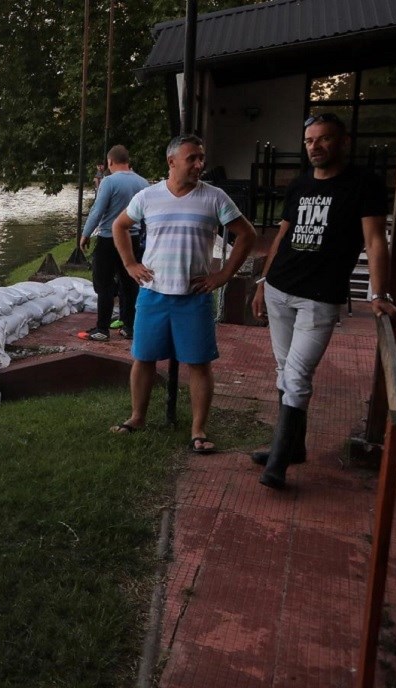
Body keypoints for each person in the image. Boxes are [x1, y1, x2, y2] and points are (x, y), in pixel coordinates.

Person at [250, 113, 396, 489]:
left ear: (343, 142)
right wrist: (262, 282)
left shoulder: (364, 185)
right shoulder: (299, 185)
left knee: (297, 375)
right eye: (310, 141)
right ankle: (293, 448)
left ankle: (279, 461)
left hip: (319, 298)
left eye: (324, 139)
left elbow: (376, 241)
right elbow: (282, 236)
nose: (315, 146)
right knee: (284, 371)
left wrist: (377, 293)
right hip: (280, 289)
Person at [109, 134, 257, 453]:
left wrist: (224, 274)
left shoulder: (215, 197)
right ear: (171, 161)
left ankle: (198, 431)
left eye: (201, 158)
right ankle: (137, 417)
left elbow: (247, 234)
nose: (199, 164)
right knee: (144, 358)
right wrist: (131, 263)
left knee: (199, 363)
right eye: (192, 158)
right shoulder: (148, 196)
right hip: (153, 294)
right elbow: (119, 226)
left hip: (194, 295)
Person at [78, 145, 150, 341]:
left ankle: (102, 329)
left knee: (104, 285)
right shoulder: (143, 183)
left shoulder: (109, 182)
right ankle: (129, 327)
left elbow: (97, 210)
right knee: (129, 283)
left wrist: (85, 234)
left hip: (109, 239)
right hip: (133, 239)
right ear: (128, 161)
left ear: (110, 162)